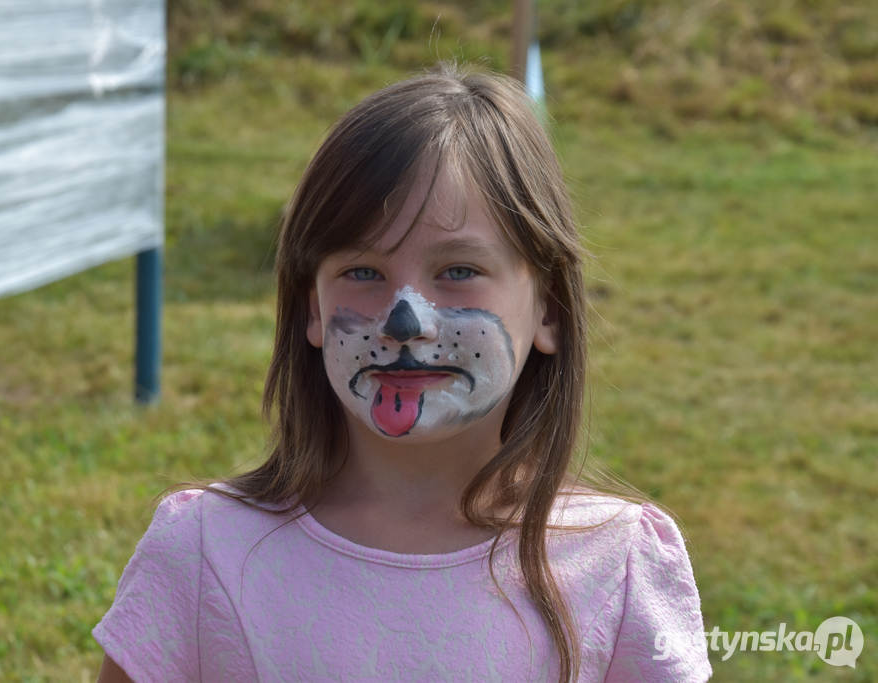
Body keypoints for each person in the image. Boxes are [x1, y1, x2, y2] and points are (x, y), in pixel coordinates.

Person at [93, 63, 712, 682]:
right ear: (313, 306)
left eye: (459, 270)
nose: (405, 322)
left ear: (548, 309)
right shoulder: (206, 554)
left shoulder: (615, 567)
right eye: (363, 272)